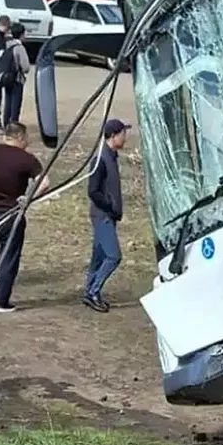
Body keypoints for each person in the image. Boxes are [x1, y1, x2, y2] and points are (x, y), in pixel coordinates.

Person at [0, 121, 50, 312]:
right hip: (12, 215)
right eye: (27, 137)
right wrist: (29, 198)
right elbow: (45, 183)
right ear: (20, 137)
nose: (28, 141)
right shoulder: (27, 159)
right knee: (8, 259)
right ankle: (2, 302)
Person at [83, 119, 131, 312]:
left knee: (99, 256)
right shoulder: (101, 160)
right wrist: (110, 206)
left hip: (107, 215)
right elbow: (93, 191)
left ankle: (89, 290)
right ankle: (93, 292)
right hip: (102, 215)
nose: (125, 137)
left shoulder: (111, 157)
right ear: (113, 136)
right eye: (123, 134)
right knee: (113, 256)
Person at [0, 22, 31, 125]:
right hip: (17, 79)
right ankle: (13, 124)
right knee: (16, 103)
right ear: (21, 34)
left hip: (6, 78)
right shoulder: (19, 48)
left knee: (8, 102)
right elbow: (26, 67)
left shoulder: (7, 45)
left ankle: (6, 123)